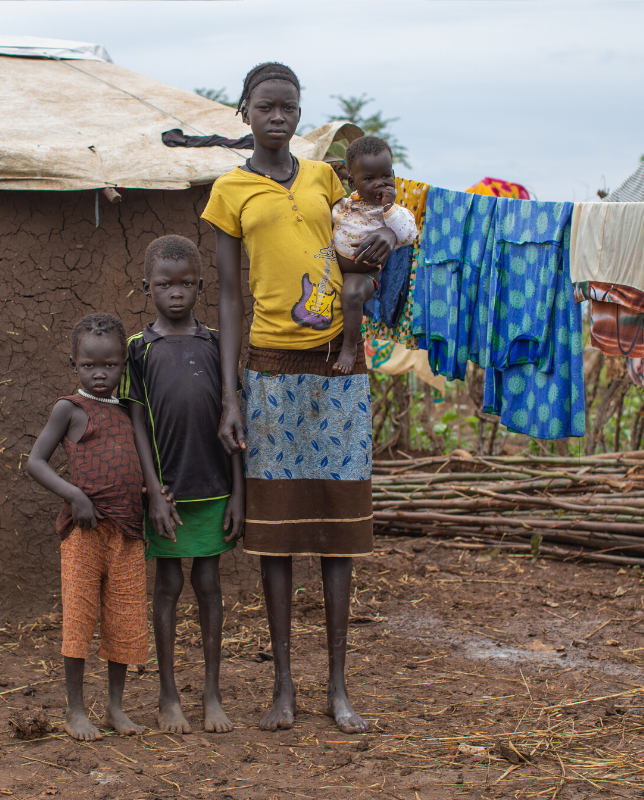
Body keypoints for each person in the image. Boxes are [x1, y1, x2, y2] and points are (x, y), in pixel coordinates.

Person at [202, 62, 396, 734]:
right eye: (266, 106)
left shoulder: (324, 178)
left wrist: (363, 290)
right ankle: (284, 687)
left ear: (298, 112)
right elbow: (229, 295)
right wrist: (231, 392)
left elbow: (364, 240)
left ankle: (338, 686)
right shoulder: (229, 191)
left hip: (338, 367)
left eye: (289, 106)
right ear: (245, 111)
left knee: (339, 535)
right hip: (270, 369)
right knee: (277, 538)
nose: (278, 117)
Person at [121, 234, 245, 735]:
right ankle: (168, 696)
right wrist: (151, 491)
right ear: (146, 286)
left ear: (200, 285)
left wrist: (239, 492)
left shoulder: (217, 343)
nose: (176, 292)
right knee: (169, 584)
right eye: (164, 283)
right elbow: (136, 424)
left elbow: (236, 424)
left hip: (214, 487)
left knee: (209, 583)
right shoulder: (138, 349)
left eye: (186, 283)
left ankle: (212, 694)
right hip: (166, 494)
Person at [26, 313, 147, 742]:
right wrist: (76, 496)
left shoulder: (130, 411)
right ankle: (75, 709)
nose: (100, 374)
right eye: (89, 366)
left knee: (125, 620)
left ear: (123, 365)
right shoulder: (69, 408)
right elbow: (35, 462)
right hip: (84, 533)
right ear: (74, 364)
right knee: (79, 619)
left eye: (110, 365)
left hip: (128, 533)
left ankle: (116, 707)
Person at [329, 136, 419, 374]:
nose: (381, 184)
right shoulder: (343, 205)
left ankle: (349, 348)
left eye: (386, 176)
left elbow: (408, 234)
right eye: (370, 179)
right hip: (333, 268)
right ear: (352, 182)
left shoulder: (394, 213)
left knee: (352, 293)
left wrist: (389, 210)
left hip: (364, 273)